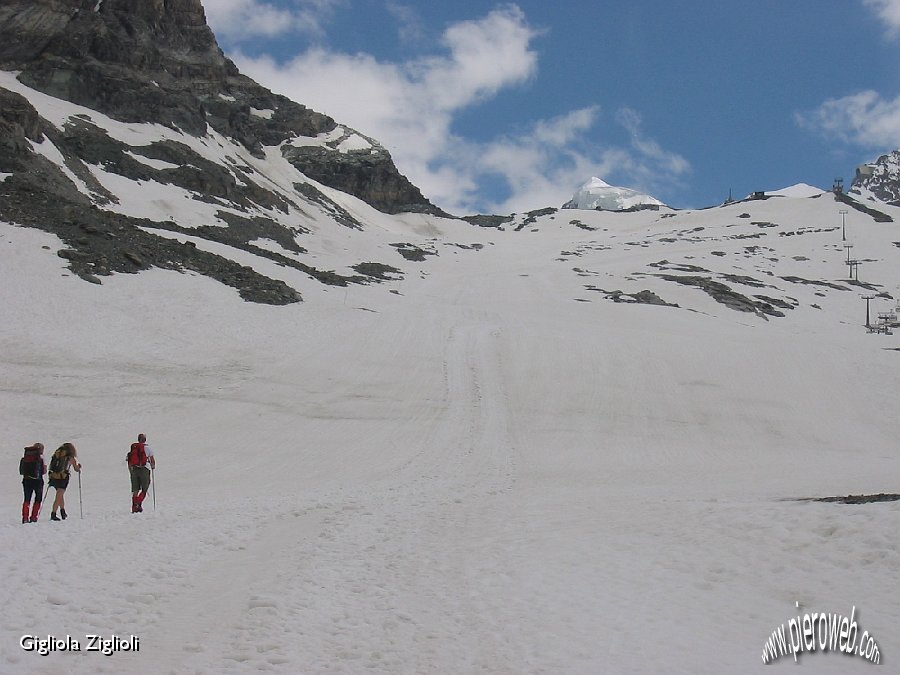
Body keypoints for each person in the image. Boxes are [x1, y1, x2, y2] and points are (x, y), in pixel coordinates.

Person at [48, 442, 81, 521]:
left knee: (60, 495)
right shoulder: (70, 458)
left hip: (54, 477)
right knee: (59, 496)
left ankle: (63, 511)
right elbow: (76, 469)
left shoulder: (57, 455)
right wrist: (79, 467)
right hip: (63, 478)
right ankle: (53, 513)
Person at [127, 433, 156, 513]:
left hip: (134, 469)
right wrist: (153, 466)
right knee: (144, 488)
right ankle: (138, 503)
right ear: (145, 439)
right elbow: (152, 460)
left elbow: (129, 459)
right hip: (144, 469)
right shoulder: (148, 448)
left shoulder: (134, 448)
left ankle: (134, 507)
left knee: (135, 489)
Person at [19, 443, 46, 523]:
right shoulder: (41, 458)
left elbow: (21, 470)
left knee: (27, 499)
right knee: (38, 499)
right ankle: (34, 517)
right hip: (38, 480)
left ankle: (25, 518)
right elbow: (44, 471)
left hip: (26, 479)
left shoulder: (26, 457)